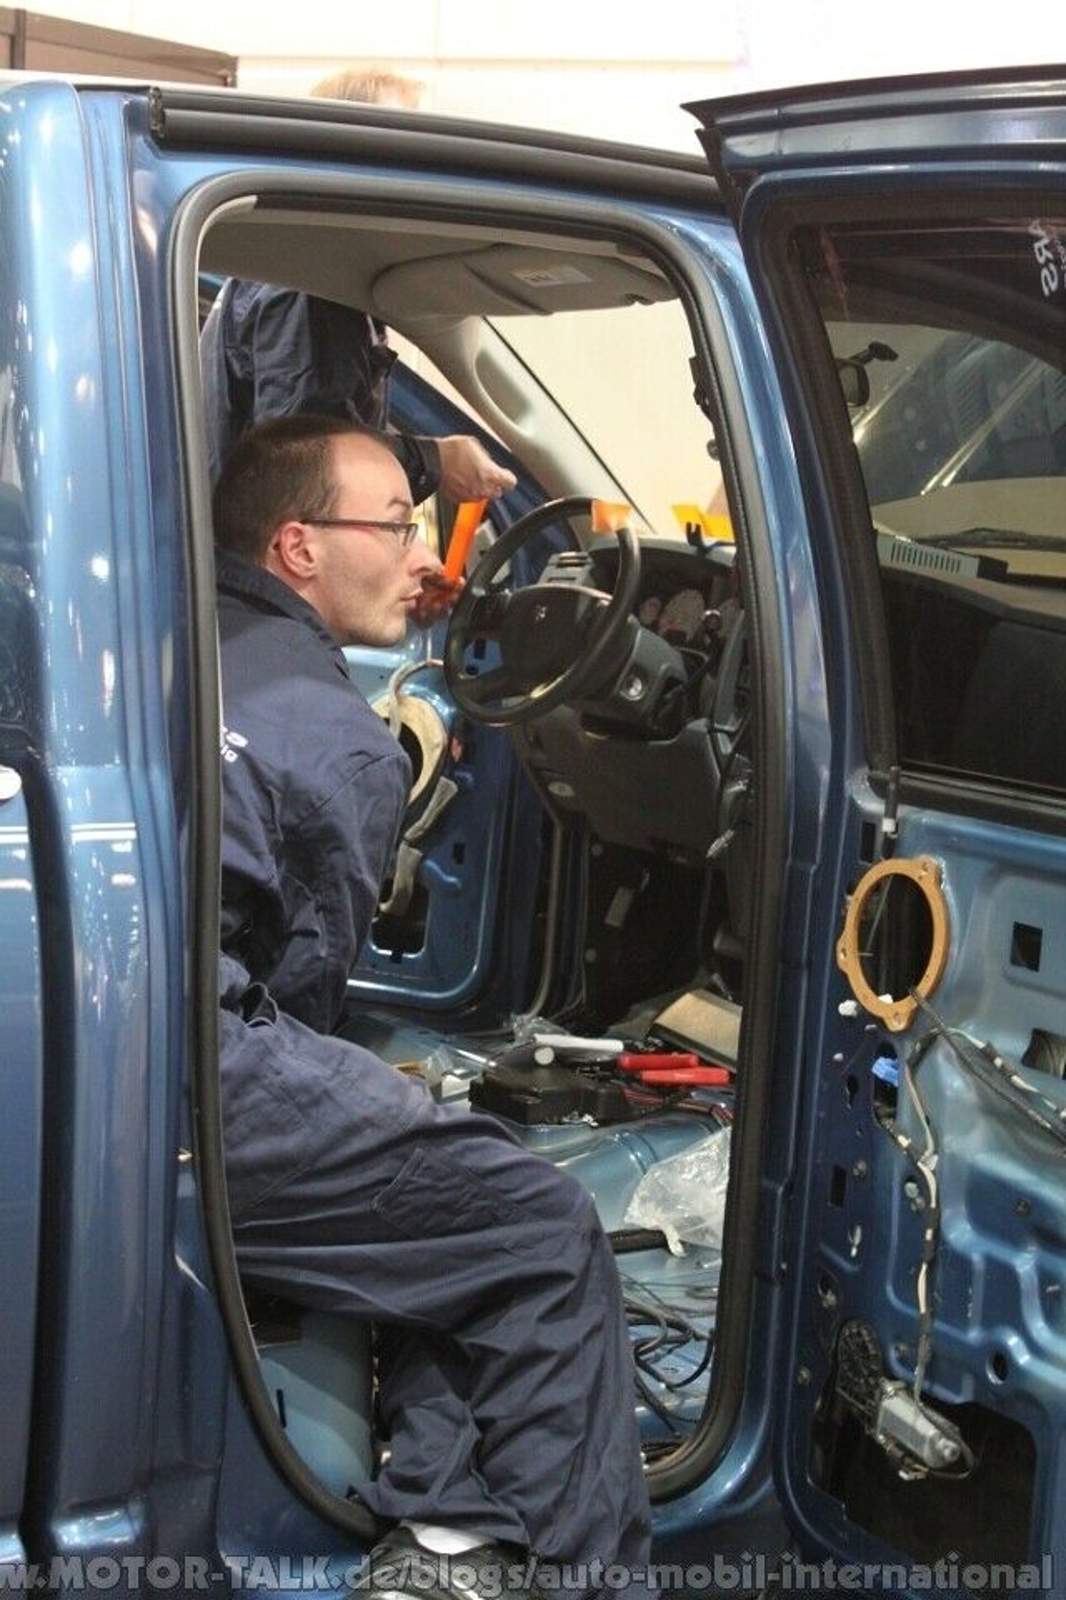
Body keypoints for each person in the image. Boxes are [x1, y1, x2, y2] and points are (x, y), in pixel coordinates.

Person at [214, 415, 654, 1600]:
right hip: (202, 1079)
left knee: (439, 1183)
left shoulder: (193, 633)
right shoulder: (337, 741)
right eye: (400, 529)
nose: (426, 560)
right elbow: (298, 1001)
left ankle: (452, 1536)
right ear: (298, 547)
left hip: (143, 1052)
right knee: (543, 1233)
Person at [200, 66, 515, 505]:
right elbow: (303, 466)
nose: (421, 177)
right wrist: (437, 460)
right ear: (346, 153)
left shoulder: (318, 273)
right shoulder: (307, 285)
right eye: (405, 153)